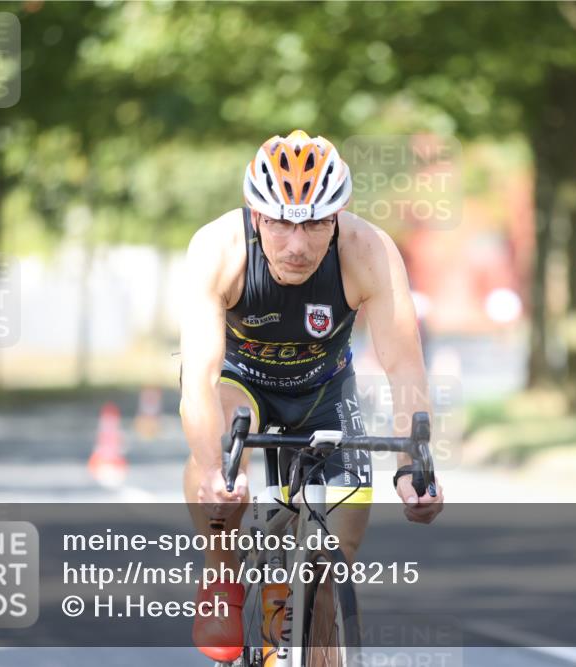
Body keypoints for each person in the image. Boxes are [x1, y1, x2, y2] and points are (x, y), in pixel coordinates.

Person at [179, 130, 444, 662]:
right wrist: (214, 468)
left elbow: (403, 364)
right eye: (280, 222)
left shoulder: (367, 250)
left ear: (338, 218)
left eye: (315, 223)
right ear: (256, 217)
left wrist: (416, 463)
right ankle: (221, 566)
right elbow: (201, 379)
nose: (297, 245)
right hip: (239, 379)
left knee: (335, 558)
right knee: (224, 471)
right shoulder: (218, 248)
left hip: (325, 388)